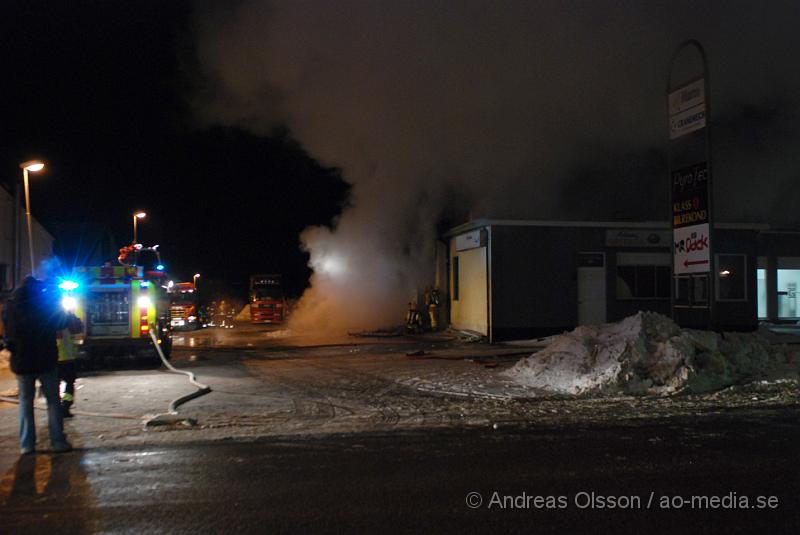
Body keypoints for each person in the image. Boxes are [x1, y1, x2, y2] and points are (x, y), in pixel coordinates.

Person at [2, 258, 75, 455]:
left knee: (25, 402)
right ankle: (57, 442)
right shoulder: (45, 304)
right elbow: (62, 322)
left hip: (22, 360)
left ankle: (27, 445)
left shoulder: (11, 306)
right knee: (53, 401)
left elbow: (6, 332)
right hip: (45, 359)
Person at [57, 313, 84, 418]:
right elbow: (78, 337)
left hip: (56, 361)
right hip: (68, 360)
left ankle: (57, 407)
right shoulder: (69, 324)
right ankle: (65, 407)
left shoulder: (50, 325)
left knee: (54, 385)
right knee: (69, 384)